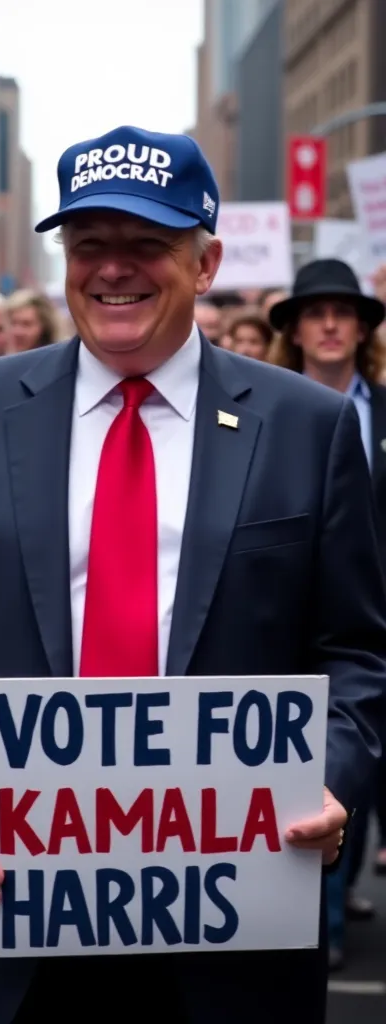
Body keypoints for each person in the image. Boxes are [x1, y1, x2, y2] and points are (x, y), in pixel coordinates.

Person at [0, 126, 384, 1024]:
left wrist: (331, 779)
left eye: (147, 243)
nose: (114, 269)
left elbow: (356, 650)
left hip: (229, 930)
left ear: (207, 259)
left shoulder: (308, 427)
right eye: (89, 245)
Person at [268, 258, 386, 968]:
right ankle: (323, 928)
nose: (333, 324)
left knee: (354, 777)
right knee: (299, 792)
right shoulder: (268, 415)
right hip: (294, 634)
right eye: (317, 312)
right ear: (297, 330)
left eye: (346, 312)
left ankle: (332, 917)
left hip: (372, 636)